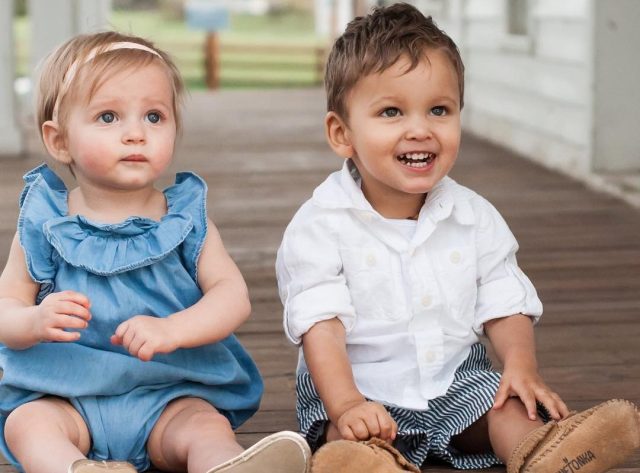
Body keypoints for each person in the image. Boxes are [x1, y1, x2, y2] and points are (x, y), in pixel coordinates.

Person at [275, 3, 640, 473]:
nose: (420, 129)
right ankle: (367, 462)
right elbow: (321, 326)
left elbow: (504, 298)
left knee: (507, 405)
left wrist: (520, 366)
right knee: (346, 437)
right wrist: (347, 404)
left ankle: (544, 454)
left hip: (455, 382)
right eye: (391, 111)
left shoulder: (473, 216)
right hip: (355, 387)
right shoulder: (320, 225)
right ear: (342, 133)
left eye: (439, 110)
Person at [0, 31, 310, 473]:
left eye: (154, 116)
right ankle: (75, 468)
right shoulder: (44, 224)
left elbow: (232, 297)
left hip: (169, 394)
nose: (136, 134)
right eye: (108, 117)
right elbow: (6, 307)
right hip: (65, 396)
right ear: (59, 140)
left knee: (205, 426)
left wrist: (173, 329)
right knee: (28, 425)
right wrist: (33, 320)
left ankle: (224, 466)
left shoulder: (184, 221)